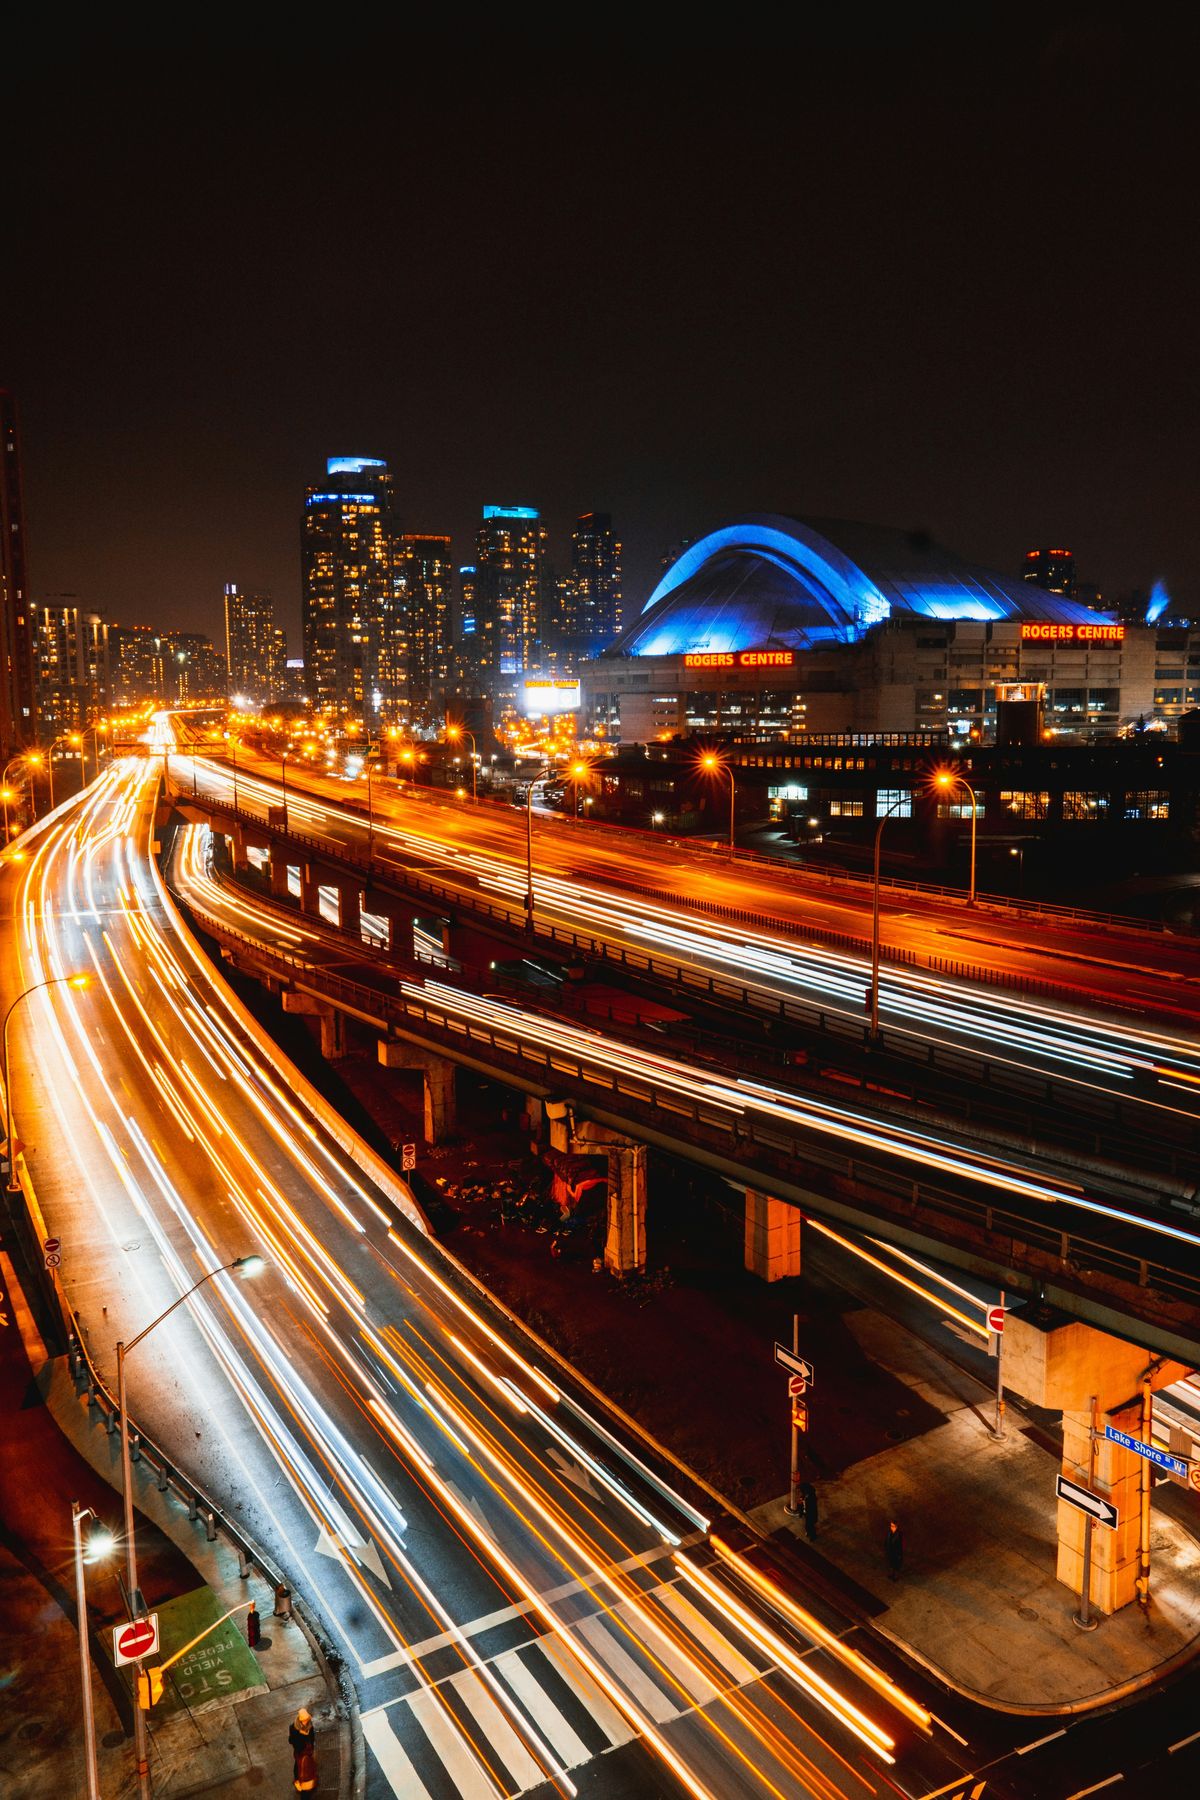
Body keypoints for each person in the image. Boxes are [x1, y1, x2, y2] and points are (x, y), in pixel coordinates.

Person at [289, 1708, 317, 1793]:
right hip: (299, 1751)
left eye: (306, 1720)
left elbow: (312, 1738)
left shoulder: (310, 1726)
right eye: (304, 1720)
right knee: (298, 1766)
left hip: (308, 1750)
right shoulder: (293, 1728)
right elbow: (291, 1740)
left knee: (308, 1765)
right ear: (300, 1720)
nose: (305, 1722)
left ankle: (309, 1780)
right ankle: (297, 1780)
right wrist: (302, 1735)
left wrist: (312, 1747)